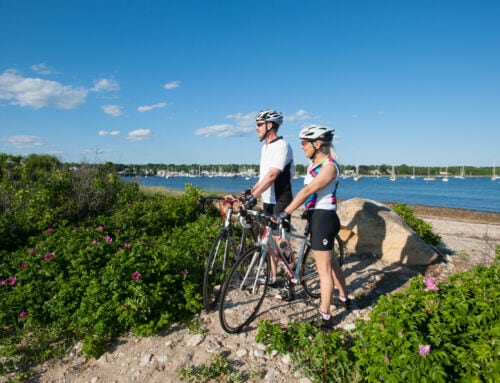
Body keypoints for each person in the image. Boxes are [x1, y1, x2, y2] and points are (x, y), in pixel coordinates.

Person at [283, 124, 350, 328]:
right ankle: (345, 298)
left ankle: (325, 317)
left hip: (324, 218)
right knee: (331, 265)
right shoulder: (313, 165)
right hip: (316, 216)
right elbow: (311, 194)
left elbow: (308, 190)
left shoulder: (329, 166)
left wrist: (285, 212)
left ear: (317, 143)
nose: (302, 147)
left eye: (304, 143)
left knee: (323, 271)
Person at [249, 109, 294, 289]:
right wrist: (251, 191)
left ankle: (291, 280)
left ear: (270, 125)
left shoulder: (282, 145)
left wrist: (254, 196)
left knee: (281, 242)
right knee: (267, 240)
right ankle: (273, 277)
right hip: (267, 199)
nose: (256, 128)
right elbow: (264, 177)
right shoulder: (265, 147)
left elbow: (273, 174)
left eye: (259, 124)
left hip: (281, 199)